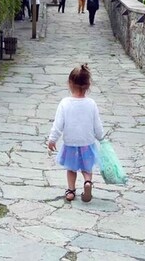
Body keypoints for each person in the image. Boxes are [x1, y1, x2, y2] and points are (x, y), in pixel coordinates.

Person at [47, 64, 104, 202]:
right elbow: (97, 124)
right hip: (87, 142)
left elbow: (58, 124)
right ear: (88, 85)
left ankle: (71, 191)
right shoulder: (91, 104)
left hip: (71, 143)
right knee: (86, 166)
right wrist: (101, 137)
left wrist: (52, 139)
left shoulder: (65, 103)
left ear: (70, 83)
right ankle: (88, 182)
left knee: (71, 168)